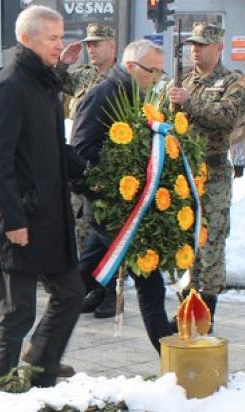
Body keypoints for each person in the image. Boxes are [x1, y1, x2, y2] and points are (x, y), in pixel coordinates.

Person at [0, 6, 86, 387]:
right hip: (20, 217)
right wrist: (12, 219)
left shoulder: (43, 82)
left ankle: (41, 365)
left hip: (49, 215)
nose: (61, 45)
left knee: (71, 293)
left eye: (61, 37)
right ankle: (3, 392)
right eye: (52, 38)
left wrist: (91, 173)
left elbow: (51, 146)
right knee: (17, 314)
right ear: (27, 39)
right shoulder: (9, 84)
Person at [71, 40, 171, 353]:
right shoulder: (104, 94)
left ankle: (43, 342)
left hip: (127, 205)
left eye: (160, 72)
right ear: (130, 67)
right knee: (149, 281)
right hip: (110, 206)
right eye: (151, 71)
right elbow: (81, 149)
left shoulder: (138, 95)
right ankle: (171, 352)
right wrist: (126, 164)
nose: (156, 78)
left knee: (80, 281)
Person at [167, 22, 245, 322]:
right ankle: (185, 307)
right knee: (184, 240)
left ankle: (206, 311)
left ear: (219, 48)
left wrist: (188, 102)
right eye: (193, 45)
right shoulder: (183, 81)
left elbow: (227, 118)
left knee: (211, 241)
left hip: (212, 172)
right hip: (183, 174)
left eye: (202, 45)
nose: (195, 50)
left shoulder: (234, 83)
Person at [57, 22, 119, 317]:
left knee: (109, 232)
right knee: (84, 230)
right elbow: (53, 83)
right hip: (81, 164)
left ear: (112, 45)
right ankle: (94, 289)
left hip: (111, 164)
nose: (91, 49)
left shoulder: (123, 78)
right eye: (88, 44)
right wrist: (62, 64)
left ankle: (110, 293)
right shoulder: (83, 75)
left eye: (97, 43)